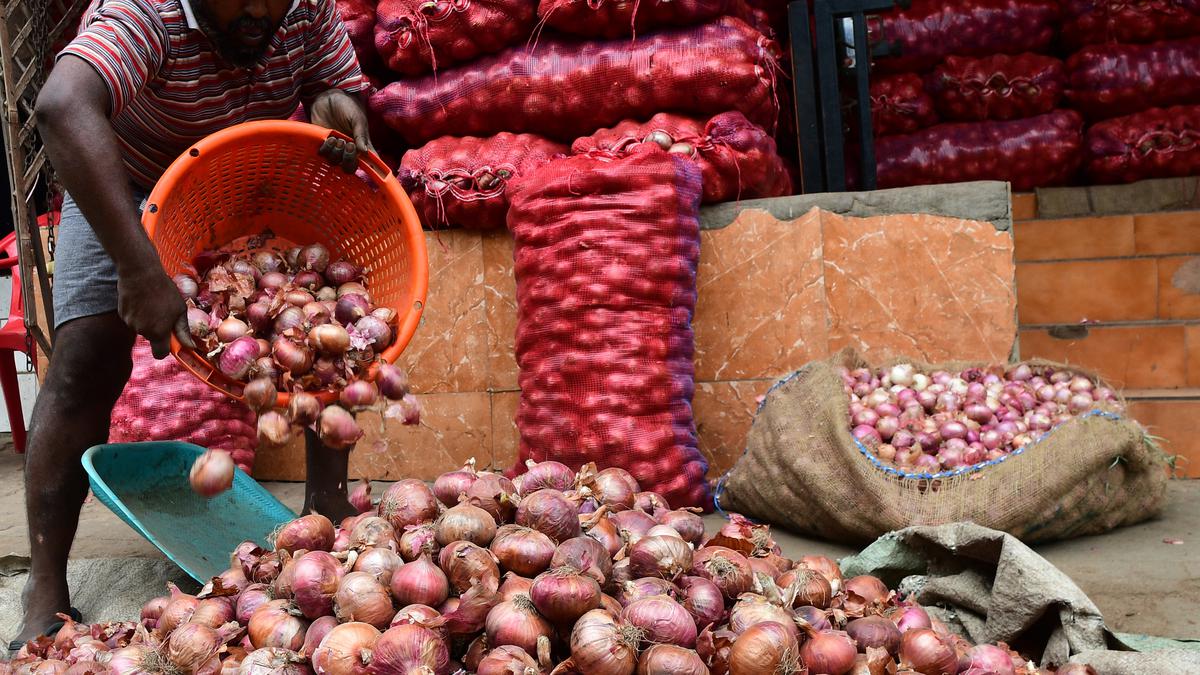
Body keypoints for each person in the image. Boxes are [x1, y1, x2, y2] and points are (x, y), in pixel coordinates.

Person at [15, 0, 373, 647]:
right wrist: (139, 267)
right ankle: (44, 582)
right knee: (84, 361)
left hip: (240, 179)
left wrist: (337, 105)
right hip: (122, 182)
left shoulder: (303, 7)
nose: (260, 14)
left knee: (321, 327)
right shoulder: (146, 10)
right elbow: (62, 105)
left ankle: (327, 512)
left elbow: (333, 87)